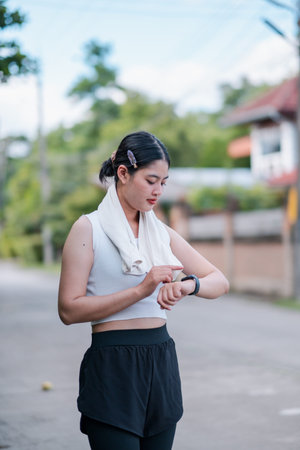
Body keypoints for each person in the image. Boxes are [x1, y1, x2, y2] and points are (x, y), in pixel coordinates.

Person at [58, 130, 229, 450]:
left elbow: (219, 280)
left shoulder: (161, 232)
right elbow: (68, 310)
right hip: (112, 364)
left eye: (163, 182)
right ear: (123, 173)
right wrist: (142, 289)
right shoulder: (88, 228)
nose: (158, 191)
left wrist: (188, 286)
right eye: (151, 180)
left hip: (161, 362)